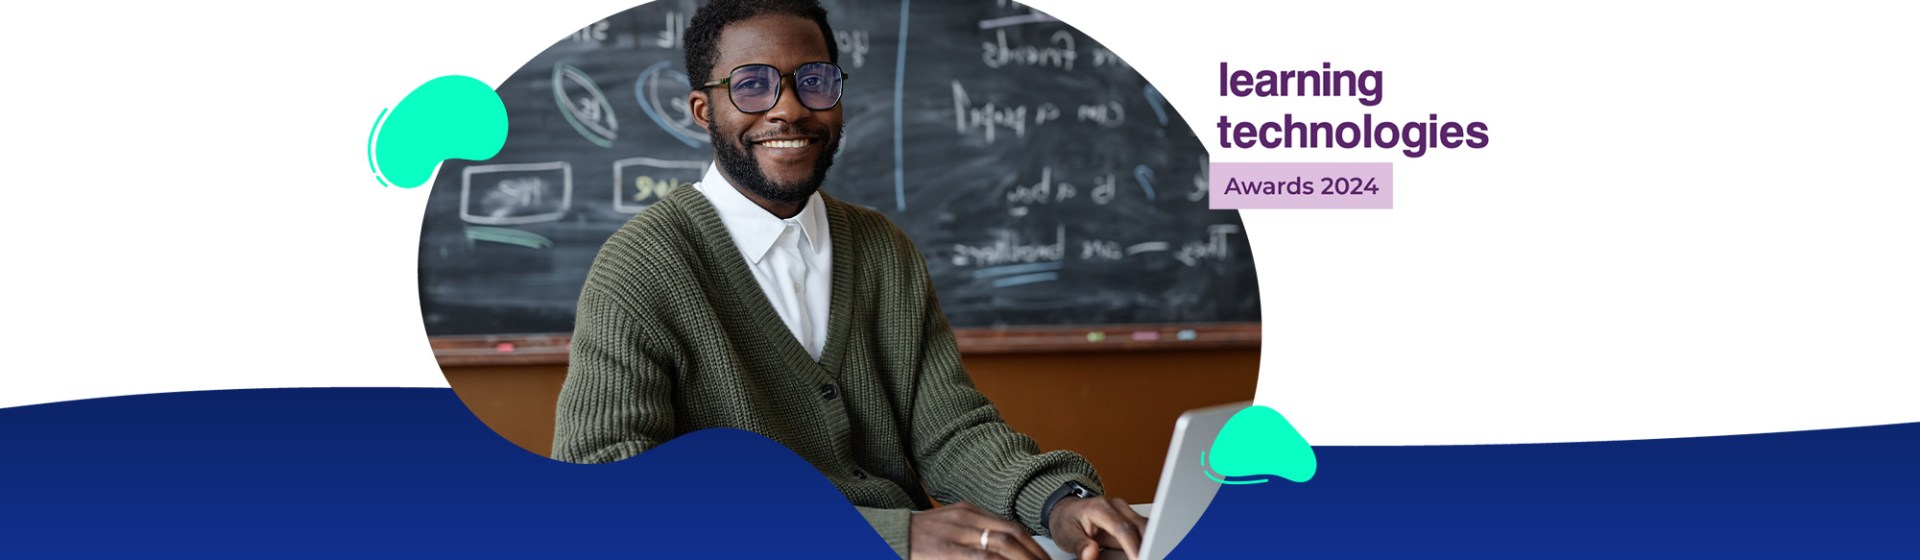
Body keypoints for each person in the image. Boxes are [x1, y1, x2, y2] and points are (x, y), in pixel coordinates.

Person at [551, 1, 1147, 558]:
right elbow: (608, 487)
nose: (788, 108)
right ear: (705, 111)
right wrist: (895, 534)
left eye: (813, 80)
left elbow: (948, 430)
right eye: (752, 85)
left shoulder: (882, 248)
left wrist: (1057, 503)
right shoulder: (640, 268)